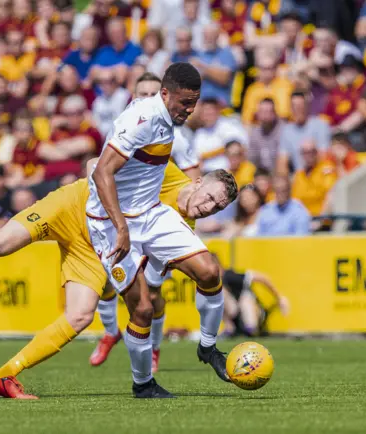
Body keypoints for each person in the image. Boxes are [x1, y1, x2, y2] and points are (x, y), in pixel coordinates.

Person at [0, 160, 236, 399]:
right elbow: (94, 164)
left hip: (95, 246)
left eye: (217, 207)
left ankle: (4, 375)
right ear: (196, 182)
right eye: (209, 198)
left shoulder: (183, 229)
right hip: (72, 206)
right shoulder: (161, 170)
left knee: (81, 315)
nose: (209, 208)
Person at [87, 62, 236, 398]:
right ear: (164, 93)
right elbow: (101, 173)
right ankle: (143, 384)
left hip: (151, 214)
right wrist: (121, 229)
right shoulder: (141, 120)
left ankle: (208, 348)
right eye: (183, 102)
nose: (189, 109)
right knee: (142, 309)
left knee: (210, 271)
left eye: (193, 103)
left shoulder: (171, 124)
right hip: (109, 223)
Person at [132, 72, 200, 180]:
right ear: (133, 97)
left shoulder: (176, 136)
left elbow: (194, 181)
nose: (149, 99)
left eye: (154, 95)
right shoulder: (119, 128)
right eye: (144, 94)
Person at [219, 255, 290, 337]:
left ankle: (251, 327)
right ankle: (230, 329)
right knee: (217, 295)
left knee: (245, 297)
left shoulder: (230, 276)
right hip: (236, 317)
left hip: (254, 314)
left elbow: (262, 278)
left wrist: (279, 297)